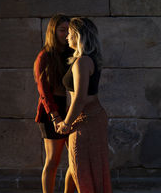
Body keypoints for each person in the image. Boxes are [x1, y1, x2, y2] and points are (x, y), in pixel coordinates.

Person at [57, 17, 112, 193]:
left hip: (86, 120)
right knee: (79, 165)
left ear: (79, 36)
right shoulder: (88, 59)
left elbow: (79, 98)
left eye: (70, 33)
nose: (66, 37)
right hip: (91, 117)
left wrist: (66, 123)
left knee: (80, 165)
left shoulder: (82, 62)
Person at [33, 15, 73, 193]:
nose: (66, 34)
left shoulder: (74, 53)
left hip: (72, 108)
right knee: (52, 161)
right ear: (53, 31)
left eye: (68, 30)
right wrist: (55, 116)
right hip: (52, 112)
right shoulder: (45, 56)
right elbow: (44, 92)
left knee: (76, 160)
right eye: (62, 30)